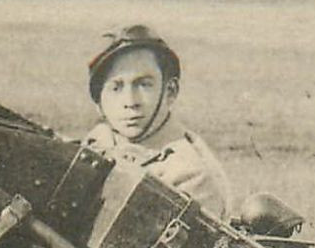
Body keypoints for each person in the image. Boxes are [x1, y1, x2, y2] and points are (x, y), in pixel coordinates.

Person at [82, 25, 233, 219]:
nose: (130, 101)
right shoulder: (100, 140)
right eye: (116, 88)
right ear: (99, 102)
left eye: (144, 85)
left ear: (170, 91)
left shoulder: (191, 175)